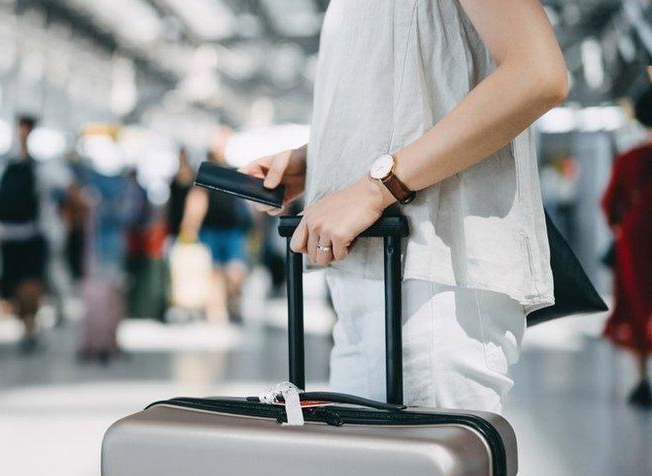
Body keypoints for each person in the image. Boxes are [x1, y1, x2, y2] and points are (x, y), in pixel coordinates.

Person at [242, 0, 567, 413]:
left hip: (431, 277)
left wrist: (375, 187)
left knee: (423, 469)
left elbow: (537, 73)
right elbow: (414, 90)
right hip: (376, 277)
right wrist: (318, 158)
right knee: (381, 470)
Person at [601, 88, 652, 408]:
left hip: (635, 240)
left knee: (638, 303)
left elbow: (609, 203)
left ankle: (641, 379)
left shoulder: (630, 157)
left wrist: (619, 227)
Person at [0, 116, 48, 352]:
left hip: (26, 235)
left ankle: (29, 325)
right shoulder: (3, 165)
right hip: (13, 235)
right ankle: (26, 323)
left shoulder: (33, 167)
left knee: (28, 285)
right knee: (17, 286)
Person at [181, 148, 250, 323]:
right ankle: (217, 312)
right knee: (214, 272)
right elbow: (198, 198)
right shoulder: (205, 173)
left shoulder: (234, 171)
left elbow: (245, 200)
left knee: (236, 272)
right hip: (210, 229)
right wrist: (190, 225)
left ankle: (233, 303)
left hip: (232, 229)